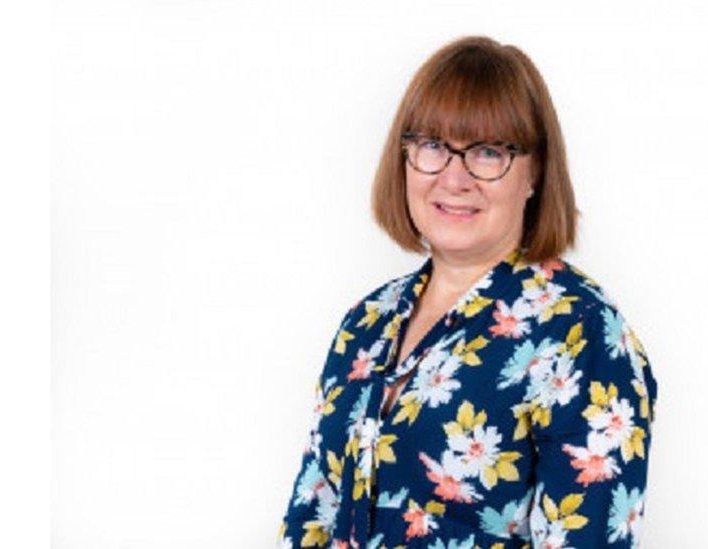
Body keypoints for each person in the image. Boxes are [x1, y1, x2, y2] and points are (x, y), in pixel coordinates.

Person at [278, 35, 658, 548]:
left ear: (534, 173)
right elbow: (312, 514)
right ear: (405, 157)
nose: (454, 178)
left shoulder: (580, 331)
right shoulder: (367, 322)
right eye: (433, 146)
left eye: (487, 152)